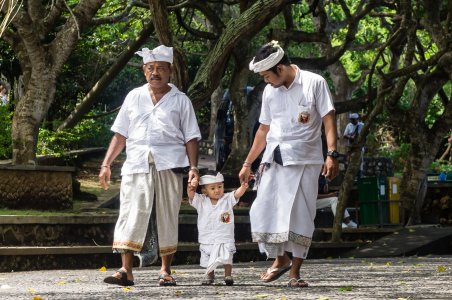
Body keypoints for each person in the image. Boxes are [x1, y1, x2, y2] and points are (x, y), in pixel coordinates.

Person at [99, 45, 201, 287]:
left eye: (161, 69)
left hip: (169, 165)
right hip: (136, 165)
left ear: (170, 71)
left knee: (167, 215)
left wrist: (194, 168)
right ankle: (125, 270)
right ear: (144, 71)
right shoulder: (133, 97)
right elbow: (120, 134)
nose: (155, 73)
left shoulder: (181, 100)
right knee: (130, 215)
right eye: (150, 68)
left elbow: (191, 137)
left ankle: (165, 271)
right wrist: (106, 164)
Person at [239, 40, 339, 288]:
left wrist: (332, 154)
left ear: (281, 69)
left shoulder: (314, 82)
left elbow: (328, 119)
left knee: (300, 215)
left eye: (266, 76)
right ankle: (280, 259)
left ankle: (295, 271)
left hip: (305, 159)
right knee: (264, 209)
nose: (266, 81)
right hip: (274, 157)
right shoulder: (270, 92)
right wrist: (247, 162)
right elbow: (264, 129)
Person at [187, 171, 248, 286]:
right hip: (207, 237)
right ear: (205, 190)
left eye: (220, 186)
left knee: (227, 256)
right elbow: (191, 194)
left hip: (225, 235)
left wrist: (243, 186)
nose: (217, 190)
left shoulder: (227, 199)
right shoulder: (201, 201)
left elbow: (237, 194)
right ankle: (210, 275)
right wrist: (191, 185)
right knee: (208, 257)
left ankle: (228, 275)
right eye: (213, 188)